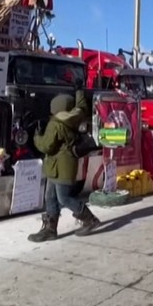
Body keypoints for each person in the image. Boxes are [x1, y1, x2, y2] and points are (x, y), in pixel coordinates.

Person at [28, 90, 102, 242]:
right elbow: (81, 107)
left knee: (64, 198)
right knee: (51, 197)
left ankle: (89, 219)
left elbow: (46, 146)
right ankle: (50, 228)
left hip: (60, 167)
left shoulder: (55, 123)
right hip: (60, 166)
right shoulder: (74, 117)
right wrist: (79, 91)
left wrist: (36, 138)